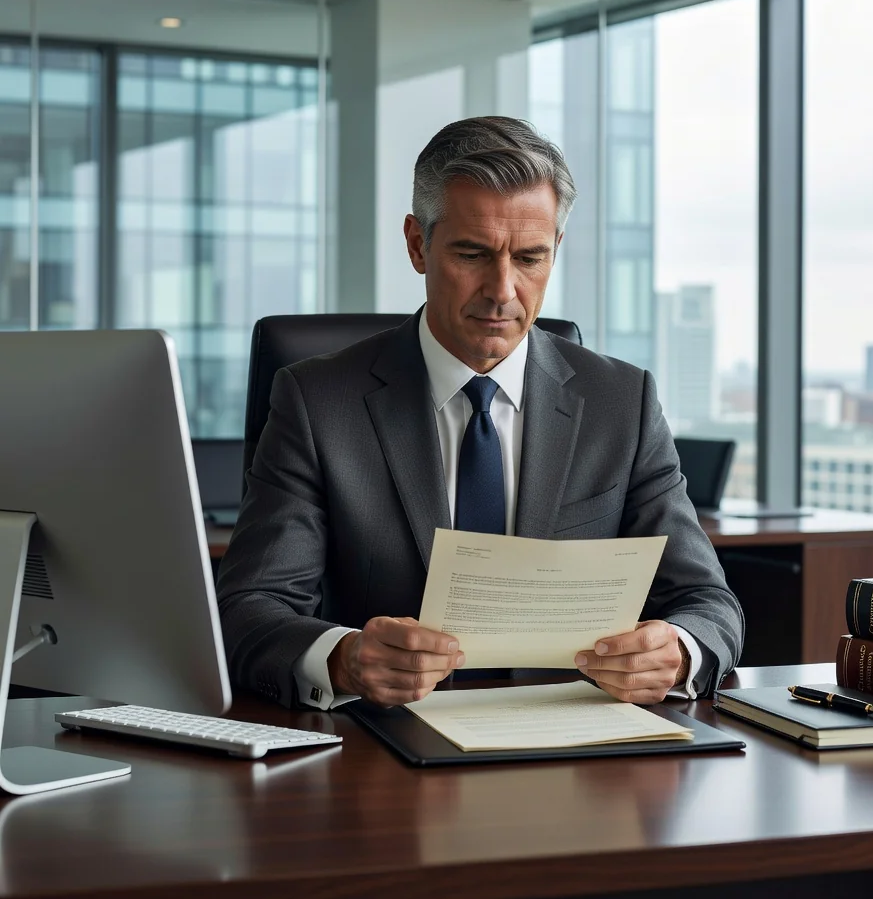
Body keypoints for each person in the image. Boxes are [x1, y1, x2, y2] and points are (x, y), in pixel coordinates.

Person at [216, 116, 744, 710]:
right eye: (472, 254)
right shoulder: (318, 403)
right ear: (418, 244)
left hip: (574, 749)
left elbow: (708, 603)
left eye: (529, 258)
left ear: (555, 251)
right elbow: (249, 609)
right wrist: (344, 658)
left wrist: (678, 649)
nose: (502, 290)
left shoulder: (621, 402)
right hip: (383, 751)